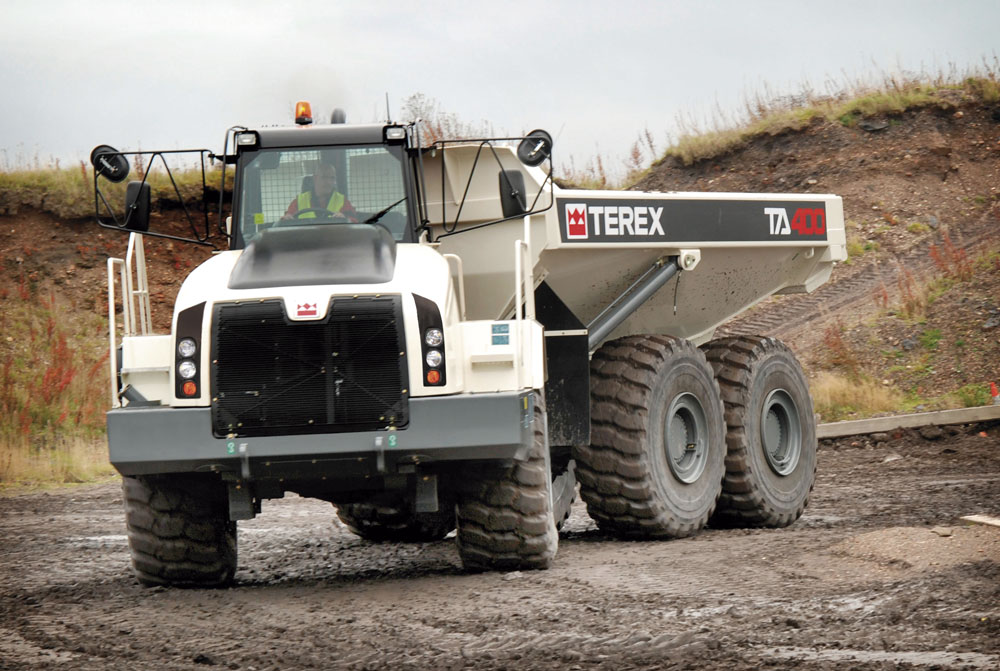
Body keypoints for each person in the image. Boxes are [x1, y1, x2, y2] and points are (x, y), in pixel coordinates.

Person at [282, 160, 358, 221]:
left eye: (332, 178)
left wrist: (344, 219)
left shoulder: (342, 201)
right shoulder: (299, 201)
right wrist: (287, 218)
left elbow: (354, 223)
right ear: (315, 178)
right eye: (324, 177)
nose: (329, 182)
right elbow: (286, 221)